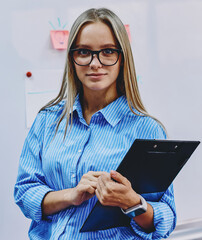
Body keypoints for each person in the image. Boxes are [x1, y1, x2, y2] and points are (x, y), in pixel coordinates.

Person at [14, 8, 176, 239]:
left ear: (122, 58)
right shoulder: (48, 120)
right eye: (84, 52)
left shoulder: (147, 130)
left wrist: (132, 202)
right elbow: (24, 192)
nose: (95, 63)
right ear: (72, 57)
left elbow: (165, 218)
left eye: (108, 51)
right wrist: (71, 195)